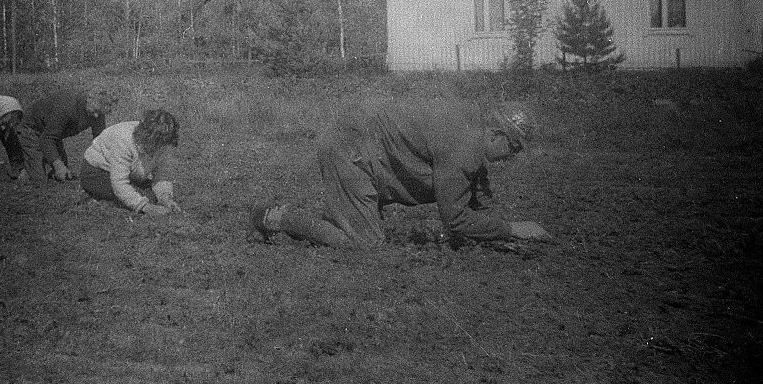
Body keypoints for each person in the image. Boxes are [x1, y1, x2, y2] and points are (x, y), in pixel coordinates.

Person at [249, 100, 551, 248]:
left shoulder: (473, 130)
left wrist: (499, 234)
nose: (513, 157)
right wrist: (512, 229)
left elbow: (479, 193)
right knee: (366, 243)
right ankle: (275, 217)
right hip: (349, 151)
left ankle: (342, 215)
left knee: (355, 228)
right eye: (514, 147)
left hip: (363, 149)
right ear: (497, 134)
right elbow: (455, 219)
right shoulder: (464, 146)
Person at [80, 109, 183, 215]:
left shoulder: (162, 144)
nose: (160, 149)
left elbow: (162, 174)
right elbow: (119, 183)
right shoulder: (123, 140)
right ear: (147, 137)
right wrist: (145, 207)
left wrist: (165, 198)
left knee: (151, 195)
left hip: (128, 172)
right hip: (96, 171)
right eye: (158, 144)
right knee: (138, 197)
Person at [17, 87, 118, 182]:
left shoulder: (97, 112)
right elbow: (47, 139)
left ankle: (33, 165)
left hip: (52, 132)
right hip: (33, 128)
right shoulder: (67, 106)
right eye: (95, 111)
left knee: (65, 176)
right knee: (39, 179)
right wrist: (58, 165)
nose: (96, 116)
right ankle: (17, 171)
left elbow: (101, 141)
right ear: (89, 100)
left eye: (100, 113)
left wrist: (109, 166)